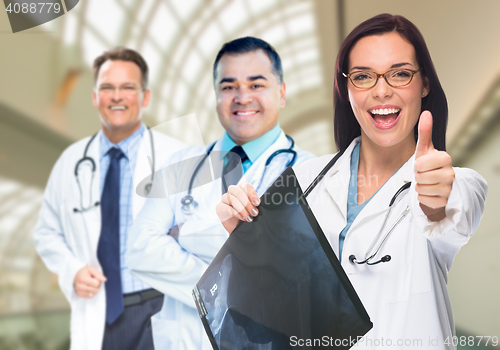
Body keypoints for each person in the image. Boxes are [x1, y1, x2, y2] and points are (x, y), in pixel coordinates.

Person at [217, 14, 487, 349]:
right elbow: (280, 300)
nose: (382, 90)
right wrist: (246, 239)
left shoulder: (457, 183)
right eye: (363, 77)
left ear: (425, 83)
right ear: (347, 89)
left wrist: (436, 203)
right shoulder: (304, 180)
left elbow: (453, 213)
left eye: (400, 74)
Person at [127, 36, 315, 349]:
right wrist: (233, 279)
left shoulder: (308, 172)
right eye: (229, 87)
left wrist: (182, 235)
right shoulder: (180, 166)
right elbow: (138, 250)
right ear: (216, 97)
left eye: (257, 85)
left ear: (281, 93)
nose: (242, 97)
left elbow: (291, 275)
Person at [34, 47, 186, 350]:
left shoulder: (177, 156)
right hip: (97, 314)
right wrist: (72, 270)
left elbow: (203, 231)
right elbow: (46, 232)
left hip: (160, 307)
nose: (117, 96)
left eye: (128, 87)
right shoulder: (71, 161)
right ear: (94, 97)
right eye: (107, 88)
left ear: (145, 97)